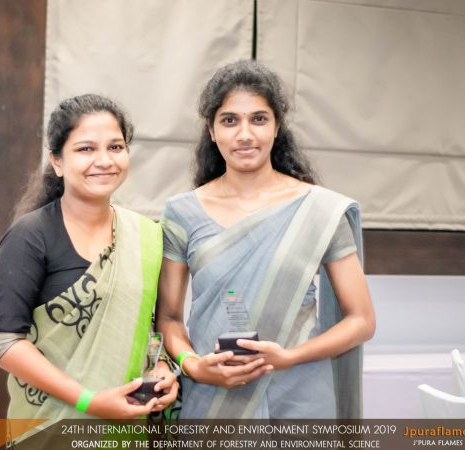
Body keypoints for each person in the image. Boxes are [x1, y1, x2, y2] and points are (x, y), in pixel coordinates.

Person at [156, 60, 375, 419]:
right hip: (213, 399)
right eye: (230, 120)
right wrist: (194, 366)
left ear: (277, 127)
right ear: (211, 129)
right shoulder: (182, 213)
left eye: (258, 119)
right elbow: (168, 317)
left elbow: (361, 320)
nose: (245, 134)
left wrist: (289, 357)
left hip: (301, 397)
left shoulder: (318, 210)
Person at [0, 94, 178, 426]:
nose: (104, 160)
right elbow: (3, 341)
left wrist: (162, 368)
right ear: (57, 161)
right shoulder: (31, 236)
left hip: (128, 424)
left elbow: (151, 329)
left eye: (115, 147)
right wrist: (89, 401)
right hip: (49, 429)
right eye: (86, 149)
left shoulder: (146, 235)